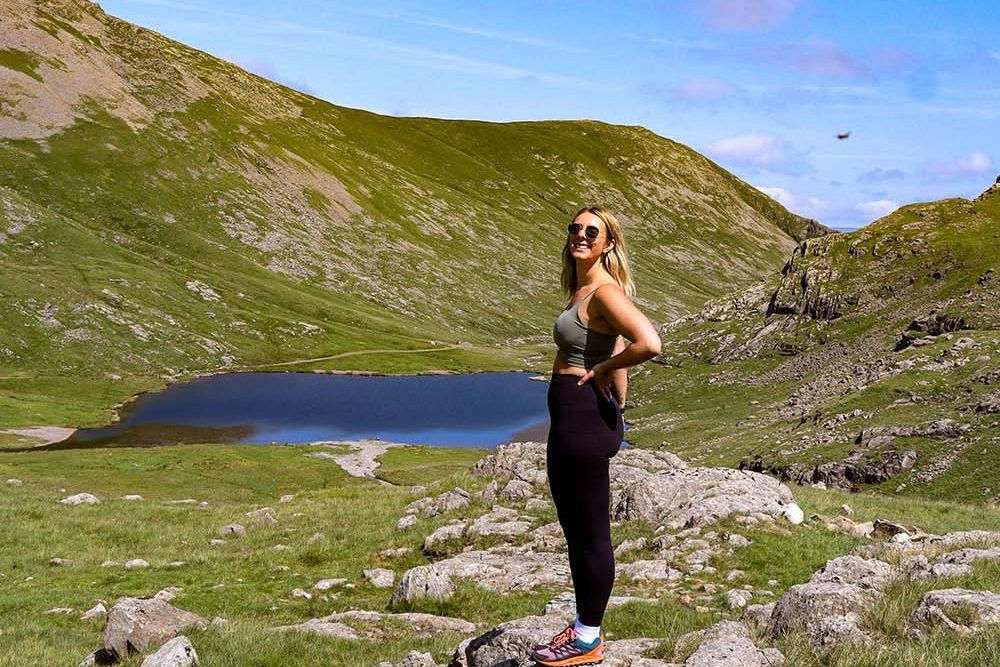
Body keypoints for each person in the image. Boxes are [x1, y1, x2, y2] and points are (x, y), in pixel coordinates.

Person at [532, 206, 662, 666]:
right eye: (575, 228)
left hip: (580, 417)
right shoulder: (584, 289)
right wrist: (616, 398)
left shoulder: (604, 292)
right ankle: (583, 626)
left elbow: (648, 341)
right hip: (574, 415)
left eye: (593, 231)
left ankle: (588, 637)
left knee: (591, 534)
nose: (581, 236)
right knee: (576, 531)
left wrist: (604, 371)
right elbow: (619, 342)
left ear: (608, 243)